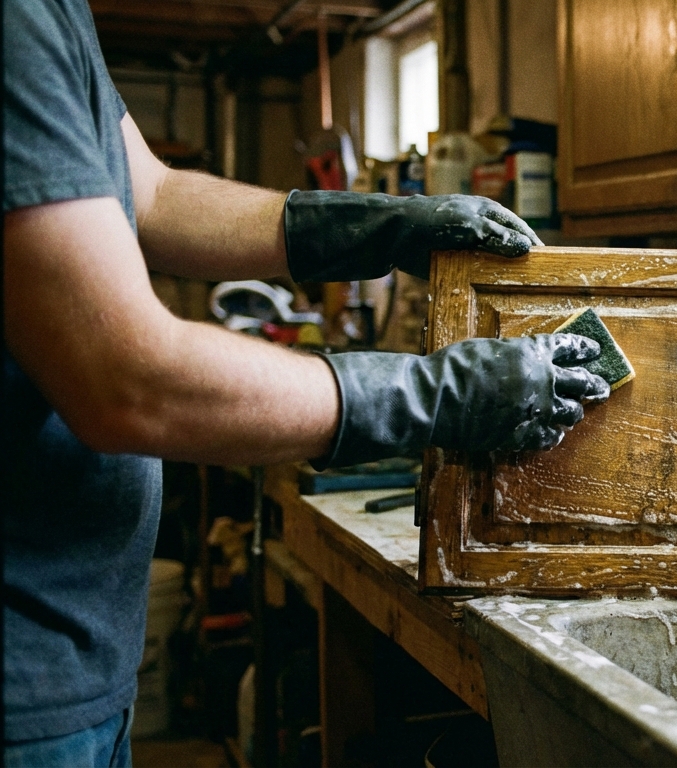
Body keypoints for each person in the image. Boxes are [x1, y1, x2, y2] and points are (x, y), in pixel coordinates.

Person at [3, 2, 610, 764]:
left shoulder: (52, 16)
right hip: (23, 678)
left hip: (74, 646)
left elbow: (150, 195)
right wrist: (432, 395)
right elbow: (126, 379)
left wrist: (378, 226)